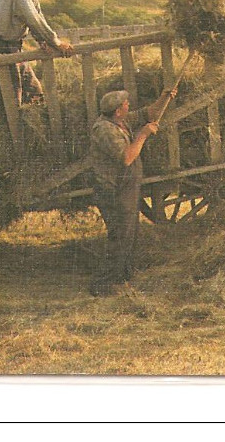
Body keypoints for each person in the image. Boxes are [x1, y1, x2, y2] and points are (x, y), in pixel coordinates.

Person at [88, 86, 177, 296]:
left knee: (130, 234)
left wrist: (164, 97)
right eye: (126, 104)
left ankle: (123, 277)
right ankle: (105, 284)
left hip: (125, 188)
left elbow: (149, 113)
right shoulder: (105, 130)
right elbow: (127, 157)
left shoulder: (120, 121)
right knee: (120, 235)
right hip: (112, 191)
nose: (129, 106)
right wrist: (143, 135)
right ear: (118, 110)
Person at [0, 0, 74, 107]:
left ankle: (30, 126)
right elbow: (32, 18)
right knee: (12, 94)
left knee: (33, 89)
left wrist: (43, 42)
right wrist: (56, 42)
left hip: (13, 47)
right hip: (0, 47)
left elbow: (39, 18)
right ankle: (6, 127)